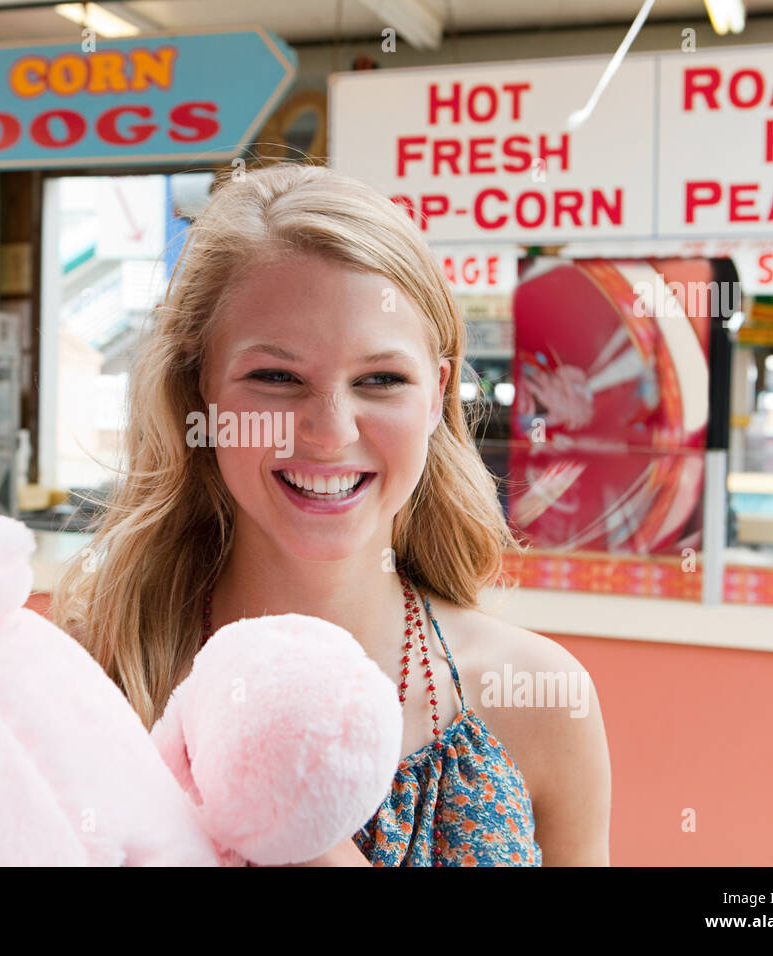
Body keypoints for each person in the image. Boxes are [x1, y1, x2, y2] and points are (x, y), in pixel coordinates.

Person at [49, 161, 611, 866]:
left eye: (381, 379)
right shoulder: (92, 675)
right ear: (200, 395)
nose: (330, 430)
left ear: (436, 395)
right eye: (277, 378)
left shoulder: (542, 698)